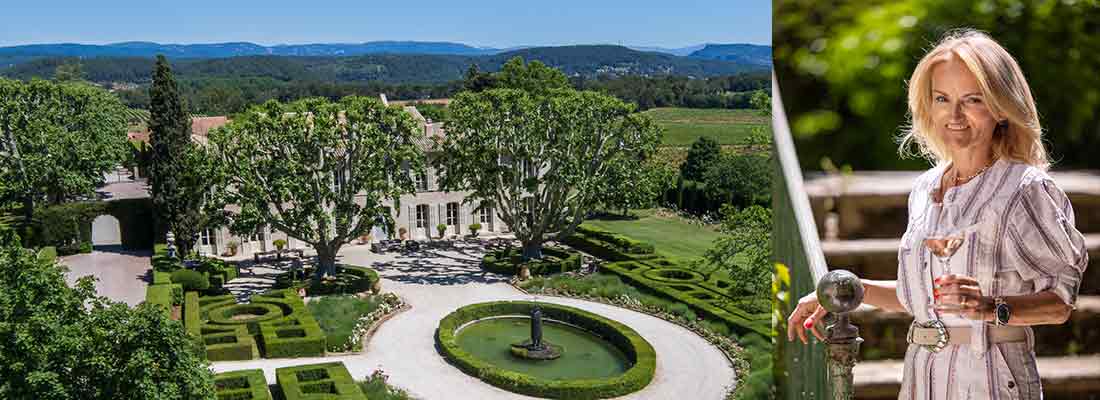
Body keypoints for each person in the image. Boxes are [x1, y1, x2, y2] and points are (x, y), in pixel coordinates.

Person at [787, 29, 1088, 400]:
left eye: (972, 99)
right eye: (942, 99)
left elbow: (1060, 303)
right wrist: (849, 291)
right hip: (922, 375)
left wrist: (990, 308)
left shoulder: (1024, 188)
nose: (954, 115)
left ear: (1000, 107)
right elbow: (921, 298)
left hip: (991, 378)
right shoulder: (925, 189)